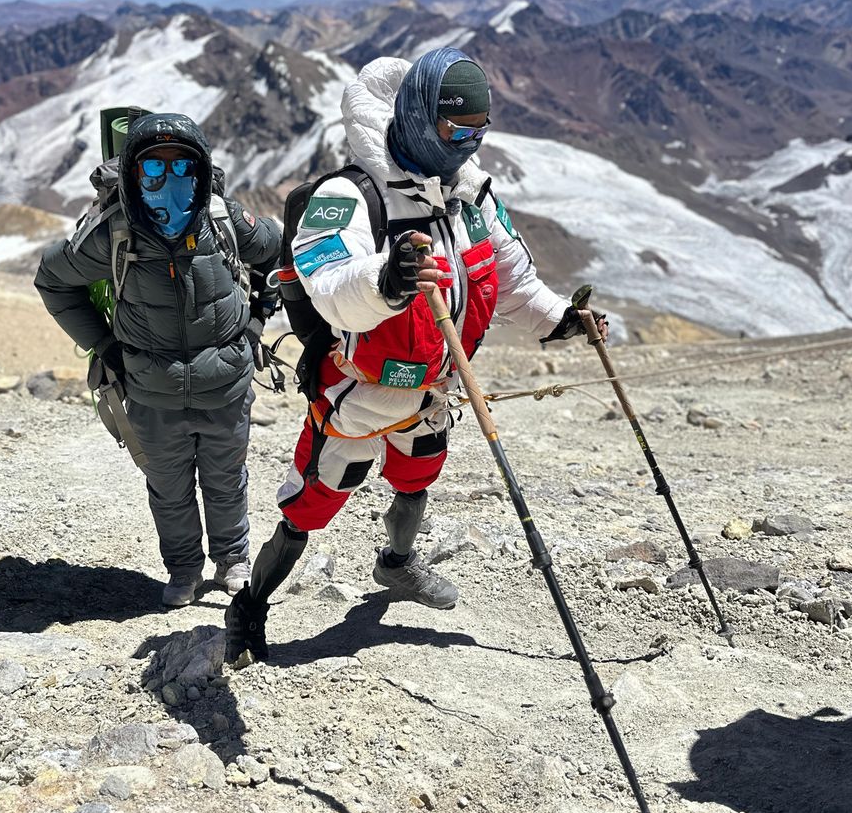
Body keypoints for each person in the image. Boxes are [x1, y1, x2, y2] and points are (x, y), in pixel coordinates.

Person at [224, 47, 608, 666]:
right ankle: (250, 605)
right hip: (357, 395)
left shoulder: (471, 198)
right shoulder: (349, 196)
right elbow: (327, 283)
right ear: (419, 118)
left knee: (416, 482)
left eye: (479, 131)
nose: (466, 144)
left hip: (434, 390)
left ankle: (397, 564)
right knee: (310, 508)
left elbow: (509, 277)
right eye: (456, 129)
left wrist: (561, 318)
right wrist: (387, 279)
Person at [34, 112, 281, 606]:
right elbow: (53, 279)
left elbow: (278, 253)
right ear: (131, 176)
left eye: (182, 168)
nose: (169, 182)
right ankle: (185, 569)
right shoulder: (113, 234)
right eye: (153, 170)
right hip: (151, 392)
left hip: (225, 386)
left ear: (202, 171)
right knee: (169, 490)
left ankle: (232, 559)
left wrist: (257, 319)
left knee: (225, 480)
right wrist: (105, 347)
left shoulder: (224, 220)